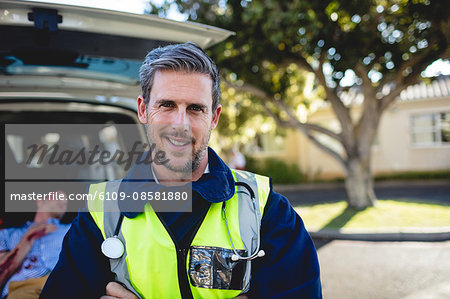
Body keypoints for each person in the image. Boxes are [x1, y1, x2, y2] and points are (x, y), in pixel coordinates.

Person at [40, 42, 321, 298]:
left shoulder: (265, 209)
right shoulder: (100, 213)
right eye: (167, 105)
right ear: (143, 109)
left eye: (196, 109)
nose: (181, 124)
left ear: (214, 117)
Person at [0, 191, 69, 299]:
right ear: (39, 200)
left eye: (66, 202)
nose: (63, 202)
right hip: (22, 287)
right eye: (57, 197)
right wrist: (28, 238)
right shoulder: (7, 234)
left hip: (62, 284)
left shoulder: (71, 230)